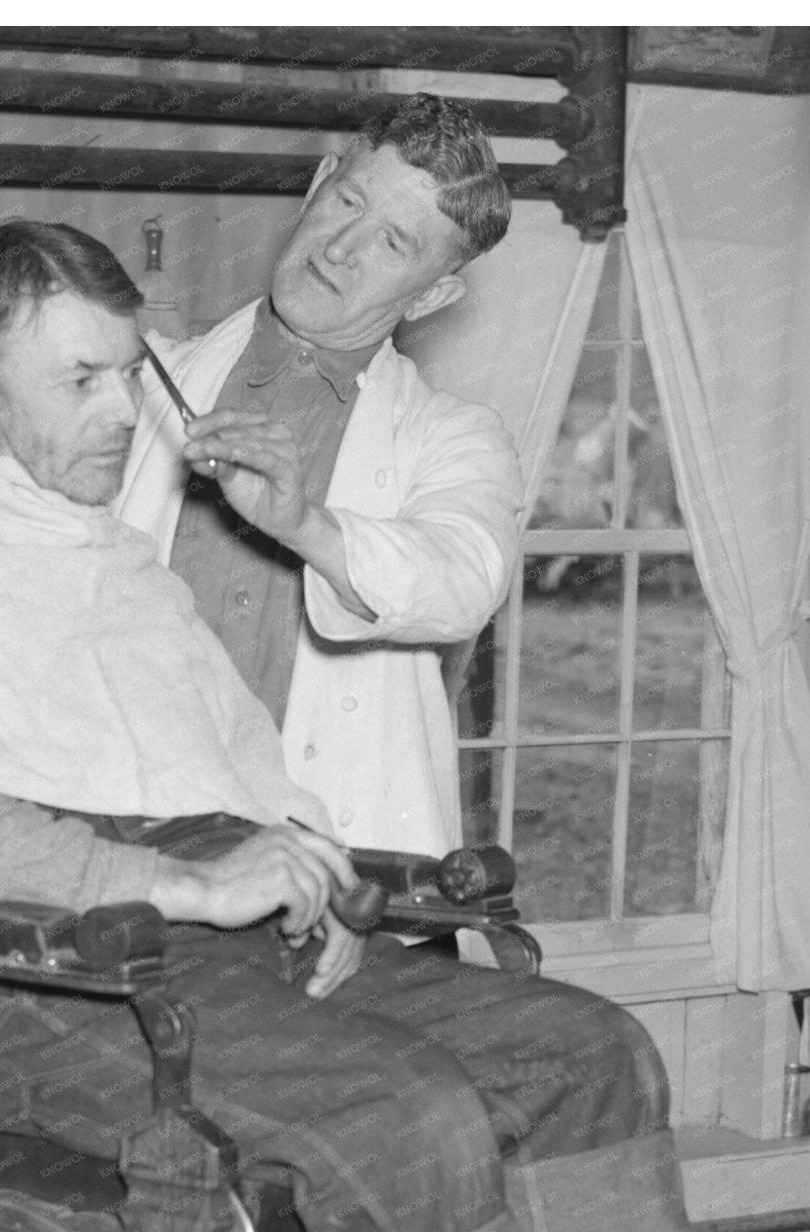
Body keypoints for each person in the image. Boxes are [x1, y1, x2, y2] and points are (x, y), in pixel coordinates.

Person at [0, 221, 694, 1232]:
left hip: (219, 957)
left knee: (589, 1053)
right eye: (80, 380)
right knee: (405, 1113)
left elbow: (232, 771)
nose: (120, 411)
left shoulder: (113, 563)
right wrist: (194, 888)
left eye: (127, 371)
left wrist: (322, 871)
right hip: (32, 975)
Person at [115, 94, 523, 861]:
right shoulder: (142, 376)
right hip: (132, 838)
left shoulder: (456, 440)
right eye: (347, 202)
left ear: (434, 294)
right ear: (317, 184)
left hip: (339, 858)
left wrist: (303, 523)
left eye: (394, 242)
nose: (339, 249)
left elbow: (465, 577)